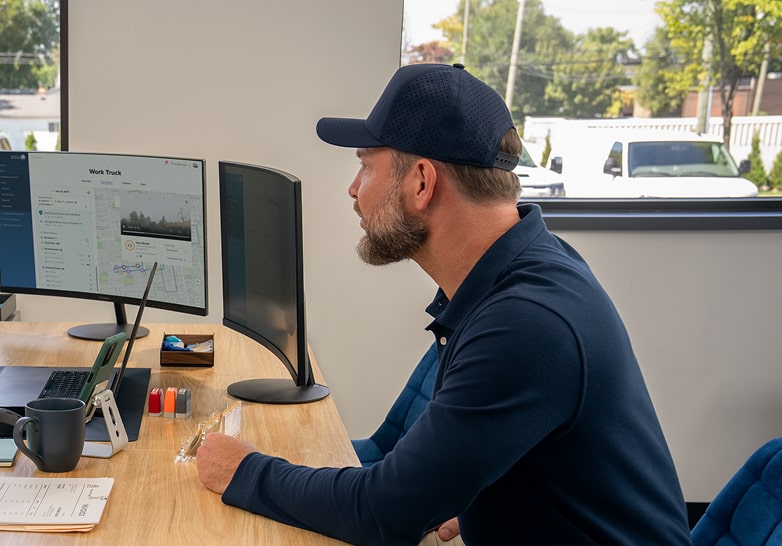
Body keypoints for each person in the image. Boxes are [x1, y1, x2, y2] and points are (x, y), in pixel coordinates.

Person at [195, 63, 692, 545]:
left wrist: (245, 471)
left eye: (366, 166)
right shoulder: (521, 271)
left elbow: (383, 514)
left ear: (422, 182)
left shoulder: (526, 323)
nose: (353, 189)